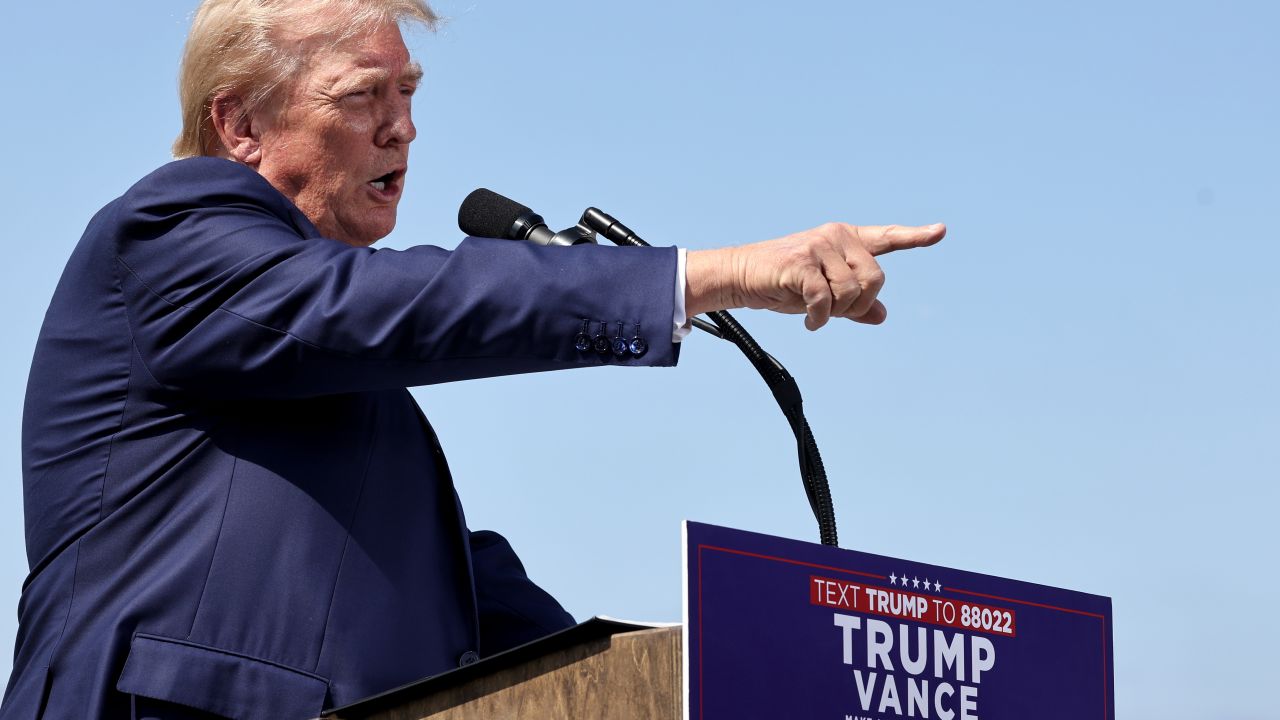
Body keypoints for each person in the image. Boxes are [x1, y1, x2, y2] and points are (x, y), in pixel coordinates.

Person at [0, 1, 944, 718]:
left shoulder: (351, 400)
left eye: (408, 93)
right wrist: (707, 276)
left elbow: (471, 605)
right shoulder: (169, 235)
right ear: (239, 125)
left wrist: (710, 673)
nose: (402, 127)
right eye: (362, 95)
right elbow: (408, 302)